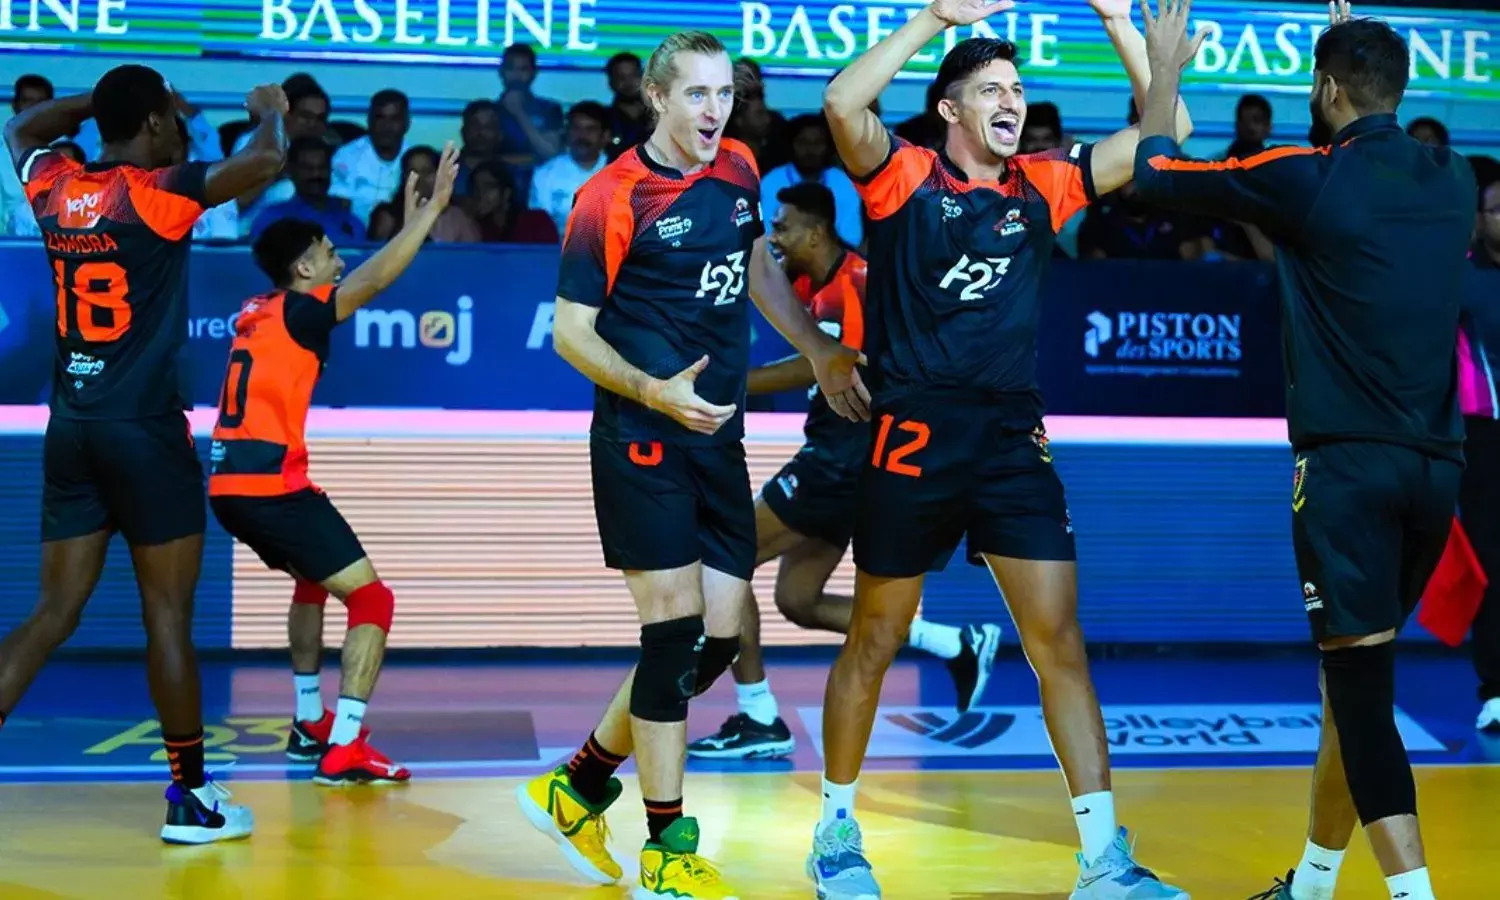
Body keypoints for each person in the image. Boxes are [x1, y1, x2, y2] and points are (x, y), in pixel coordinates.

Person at [812, 0, 1196, 895]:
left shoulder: (1045, 183)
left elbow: (1169, 132)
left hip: (1013, 443)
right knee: (876, 636)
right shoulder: (903, 176)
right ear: (949, 108)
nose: (1011, 101)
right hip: (913, 437)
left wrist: (1118, 21)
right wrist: (931, 18)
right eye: (990, 89)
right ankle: (835, 834)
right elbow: (841, 102)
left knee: (1058, 640)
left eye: (1017, 89)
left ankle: (1102, 861)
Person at [1130, 3, 1477, 899]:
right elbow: (1368, 167)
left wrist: (1164, 69)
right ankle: (1314, 885)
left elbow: (1154, 172)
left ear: (1323, 89)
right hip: (1436, 471)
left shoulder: (1305, 178)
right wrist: (1350, 53)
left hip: (1347, 473)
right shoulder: (1452, 179)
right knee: (1350, 684)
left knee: (1359, 697)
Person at [514, 29, 865, 900]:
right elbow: (570, 333)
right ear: (658, 99)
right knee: (672, 634)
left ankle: (577, 786)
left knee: (716, 640)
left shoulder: (740, 167)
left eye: (725, 94)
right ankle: (667, 848)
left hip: (718, 439)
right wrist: (651, 389)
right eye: (697, 95)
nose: (715, 111)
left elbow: (754, 268)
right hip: (641, 438)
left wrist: (817, 346)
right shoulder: (610, 195)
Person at [0, 64, 287, 844]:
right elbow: (266, 160)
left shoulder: (56, 187)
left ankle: (192, 795)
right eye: (169, 118)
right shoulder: (157, 193)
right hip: (146, 433)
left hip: (72, 427)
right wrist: (269, 109)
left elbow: (21, 128)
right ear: (156, 122)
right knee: (166, 616)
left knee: (53, 612)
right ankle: (190, 798)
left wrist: (101, 101)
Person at [688, 181, 1003, 761]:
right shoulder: (814, 283)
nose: (775, 237)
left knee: (723, 558)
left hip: (841, 461)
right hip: (846, 462)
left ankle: (758, 716)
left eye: (783, 227)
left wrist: (730, 385)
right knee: (798, 599)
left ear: (816, 233)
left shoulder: (852, 286)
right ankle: (954, 643)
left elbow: (829, 362)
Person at [210, 144, 461, 786]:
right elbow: (373, 281)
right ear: (303, 267)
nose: (338, 258)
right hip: (271, 487)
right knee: (373, 599)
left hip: (229, 484)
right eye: (327, 251)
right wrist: (430, 213)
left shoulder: (258, 311)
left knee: (312, 580)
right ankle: (344, 744)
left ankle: (307, 720)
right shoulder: (302, 310)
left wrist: (410, 223)